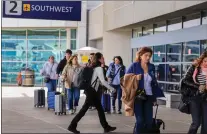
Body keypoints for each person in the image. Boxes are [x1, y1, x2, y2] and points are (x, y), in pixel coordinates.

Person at [68, 52, 116, 134]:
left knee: (100, 109)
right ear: (99, 59)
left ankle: (106, 127)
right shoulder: (98, 68)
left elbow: (97, 81)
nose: (103, 59)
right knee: (84, 109)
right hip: (92, 91)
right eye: (102, 58)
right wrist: (112, 89)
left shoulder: (93, 67)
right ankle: (72, 125)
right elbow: (103, 81)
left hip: (92, 91)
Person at [126, 47, 164, 134]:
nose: (148, 57)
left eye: (149, 56)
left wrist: (154, 98)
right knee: (140, 120)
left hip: (149, 96)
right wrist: (136, 77)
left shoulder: (151, 66)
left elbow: (154, 82)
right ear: (140, 55)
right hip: (137, 96)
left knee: (149, 121)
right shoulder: (134, 66)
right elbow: (125, 79)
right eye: (146, 55)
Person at [182, 51, 207, 134]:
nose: (206, 63)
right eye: (205, 61)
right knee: (196, 123)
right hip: (195, 97)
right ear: (201, 60)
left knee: (206, 124)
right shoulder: (194, 67)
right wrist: (198, 86)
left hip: (206, 98)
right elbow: (185, 80)